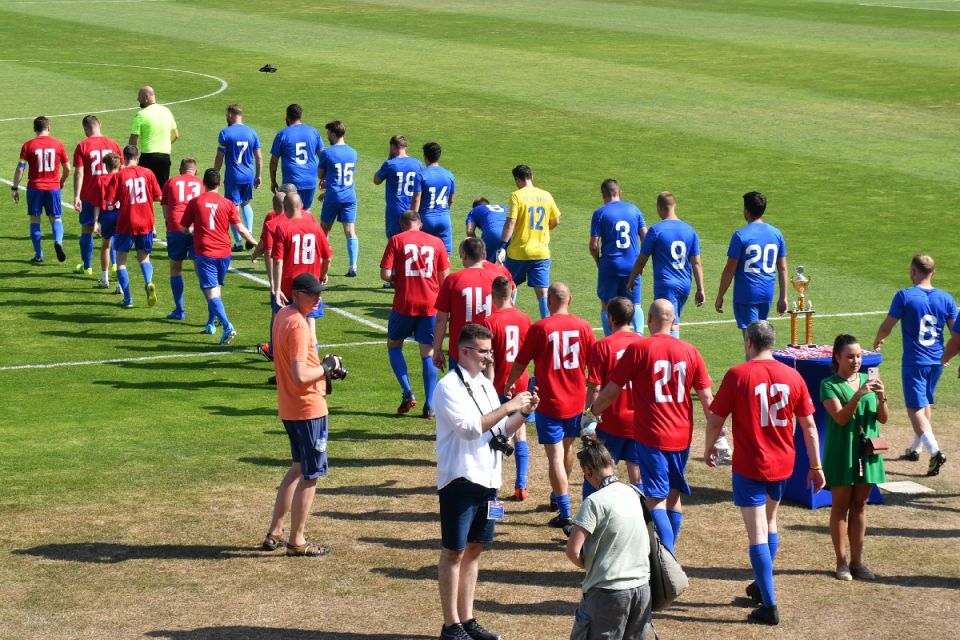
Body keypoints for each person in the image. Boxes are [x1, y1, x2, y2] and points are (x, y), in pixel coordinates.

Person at [704, 320, 826, 626]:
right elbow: (809, 426)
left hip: (750, 465)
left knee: (757, 531)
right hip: (783, 463)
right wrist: (815, 465)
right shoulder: (793, 375)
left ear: (748, 342)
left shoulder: (737, 374)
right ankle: (761, 585)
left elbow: (715, 419)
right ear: (772, 343)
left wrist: (710, 447)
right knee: (771, 522)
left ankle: (769, 606)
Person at [433, 323, 537, 640]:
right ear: (464, 352)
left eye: (490, 351)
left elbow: (500, 431)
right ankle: (451, 625)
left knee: (476, 548)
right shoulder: (448, 386)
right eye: (483, 352)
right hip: (461, 481)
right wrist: (509, 406)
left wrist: (526, 412)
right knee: (454, 551)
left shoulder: (483, 384)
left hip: (491, 481)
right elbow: (468, 429)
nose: (489, 358)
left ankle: (467, 619)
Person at [587, 299, 714, 555]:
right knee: (674, 497)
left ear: (648, 321)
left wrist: (593, 412)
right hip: (683, 435)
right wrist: (717, 435)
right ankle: (667, 552)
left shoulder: (641, 348)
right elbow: (708, 399)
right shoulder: (692, 351)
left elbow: (611, 391)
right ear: (674, 321)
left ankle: (666, 559)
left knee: (656, 500)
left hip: (653, 435)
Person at [506, 282, 595, 531]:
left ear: (549, 302)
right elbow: (593, 366)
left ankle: (565, 512)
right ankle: (558, 496)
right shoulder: (585, 327)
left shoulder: (540, 328)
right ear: (571, 300)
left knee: (555, 455)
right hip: (576, 400)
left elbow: (521, 362)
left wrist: (508, 383)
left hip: (550, 401)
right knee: (566, 450)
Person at [262, 273, 334, 558]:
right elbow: (301, 374)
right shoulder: (299, 326)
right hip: (308, 409)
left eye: (320, 293)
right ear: (297, 294)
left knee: (296, 468)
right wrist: (328, 366)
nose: (319, 297)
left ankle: (275, 531)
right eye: (313, 293)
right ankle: (297, 540)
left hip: (290, 407)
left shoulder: (283, 316)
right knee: (310, 474)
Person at [873, 254, 954, 476]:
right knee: (925, 402)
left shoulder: (905, 296)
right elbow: (956, 331)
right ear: (934, 273)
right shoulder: (946, 298)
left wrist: (879, 338)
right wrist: (947, 355)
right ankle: (915, 448)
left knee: (914, 408)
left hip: (915, 361)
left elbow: (888, 324)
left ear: (912, 271)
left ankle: (935, 451)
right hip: (937, 360)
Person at [566, 436, 652, 640]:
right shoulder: (634, 493)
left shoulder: (594, 502)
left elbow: (572, 551)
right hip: (642, 588)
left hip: (608, 592)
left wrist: (590, 565)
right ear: (611, 464)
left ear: (588, 471)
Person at [821, 334, 888, 581]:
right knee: (840, 506)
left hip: (868, 451)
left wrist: (881, 397)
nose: (856, 361)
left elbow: (883, 418)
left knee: (859, 506)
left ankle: (857, 562)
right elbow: (840, 418)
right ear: (837, 357)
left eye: (859, 356)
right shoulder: (828, 385)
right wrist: (858, 395)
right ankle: (841, 563)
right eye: (850, 356)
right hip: (842, 452)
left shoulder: (870, 380)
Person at [380, 210, 451, 418]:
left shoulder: (396, 240)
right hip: (430, 304)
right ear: (420, 224)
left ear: (402, 226)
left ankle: (407, 391)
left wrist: (398, 278)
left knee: (394, 345)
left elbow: (385, 273)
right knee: (427, 352)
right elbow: (444, 278)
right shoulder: (436, 242)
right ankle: (429, 405)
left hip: (404, 302)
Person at [179, 168, 257, 345]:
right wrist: (256, 244)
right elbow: (241, 229)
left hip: (206, 252)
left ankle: (227, 325)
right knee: (216, 290)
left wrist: (192, 231)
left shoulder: (196, 202)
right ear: (220, 184)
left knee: (211, 292)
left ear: (203, 184)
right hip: (224, 253)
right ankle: (210, 323)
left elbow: (184, 228)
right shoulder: (228, 203)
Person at [581, 298, 644, 494]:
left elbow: (595, 387)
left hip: (611, 422)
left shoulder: (603, 346)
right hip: (638, 421)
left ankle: (591, 518)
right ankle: (643, 519)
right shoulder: (644, 344)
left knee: (598, 470)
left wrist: (589, 419)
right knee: (637, 473)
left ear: (610, 318)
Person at [480, 275, 532, 500]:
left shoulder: (490, 322)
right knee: (520, 433)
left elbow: (487, 358)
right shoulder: (525, 318)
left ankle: (494, 486)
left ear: (493, 296)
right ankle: (521, 484)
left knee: (497, 435)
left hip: (499, 383)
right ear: (512, 293)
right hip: (521, 381)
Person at [628, 192, 705, 338]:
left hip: (666, 285)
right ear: (674, 206)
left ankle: (672, 358)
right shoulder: (690, 230)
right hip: (684, 285)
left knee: (669, 325)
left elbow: (641, 260)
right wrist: (701, 288)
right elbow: (696, 263)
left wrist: (632, 279)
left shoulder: (656, 230)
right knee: (673, 320)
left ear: (659, 208)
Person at [714, 192, 788, 333]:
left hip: (747, 294)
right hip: (767, 292)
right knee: (761, 338)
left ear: (746, 211)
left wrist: (720, 295)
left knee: (752, 342)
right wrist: (783, 296)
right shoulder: (776, 234)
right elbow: (782, 267)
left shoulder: (741, 235)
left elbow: (730, 270)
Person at [497, 164, 560, 319]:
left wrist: (502, 245)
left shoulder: (517, 196)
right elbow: (556, 220)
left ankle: (506, 318)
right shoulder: (546, 195)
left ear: (518, 180)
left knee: (508, 286)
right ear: (532, 177)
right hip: (541, 252)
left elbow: (511, 222)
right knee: (543, 292)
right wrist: (542, 230)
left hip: (519, 251)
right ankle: (547, 322)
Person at [272, 192, 333, 343]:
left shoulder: (282, 228)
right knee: (310, 329)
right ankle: (314, 364)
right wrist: (320, 277)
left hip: (289, 287)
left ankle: (285, 362)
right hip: (312, 286)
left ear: (285, 209)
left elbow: (278, 261)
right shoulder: (316, 228)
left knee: (285, 328)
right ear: (302, 207)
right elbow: (327, 258)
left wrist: (277, 288)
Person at [588, 179, 646, 335]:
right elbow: (646, 238)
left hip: (610, 266)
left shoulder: (600, 213)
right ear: (620, 192)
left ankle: (610, 339)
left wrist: (599, 262)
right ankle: (639, 334)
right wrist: (641, 262)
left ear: (603, 195)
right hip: (632, 266)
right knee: (635, 304)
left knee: (607, 305)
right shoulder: (634, 210)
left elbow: (594, 245)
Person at [107, 145, 162, 308]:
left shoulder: (118, 176)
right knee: (144, 258)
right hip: (146, 221)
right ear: (138, 157)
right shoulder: (148, 173)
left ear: (123, 158)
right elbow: (158, 196)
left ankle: (128, 299)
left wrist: (117, 203)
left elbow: (110, 203)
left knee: (121, 261)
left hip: (126, 222)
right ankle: (149, 282)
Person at [433, 238, 498, 375]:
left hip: (461, 350)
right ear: (484, 255)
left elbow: (441, 318)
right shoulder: (497, 279)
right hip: (489, 347)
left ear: (465, 255)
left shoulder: (453, 279)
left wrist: (437, 349)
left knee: (459, 393)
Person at [11, 116, 70, 264]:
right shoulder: (58, 144)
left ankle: (39, 255)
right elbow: (68, 168)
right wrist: (61, 181)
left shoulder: (28, 145)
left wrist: (15, 187)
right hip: (53, 188)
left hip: (35, 188)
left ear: (34, 129)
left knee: (35, 220)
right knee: (56, 218)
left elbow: (20, 169)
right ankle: (58, 241)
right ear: (48, 128)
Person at [72, 115, 122, 275]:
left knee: (86, 230)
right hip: (112, 195)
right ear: (100, 125)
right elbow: (121, 170)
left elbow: (79, 172)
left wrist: (76, 196)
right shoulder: (113, 144)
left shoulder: (83, 146)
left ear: (86, 129)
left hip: (90, 194)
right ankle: (114, 264)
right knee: (111, 231)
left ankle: (87, 266)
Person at [213, 103, 262, 251]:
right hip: (248, 175)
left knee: (232, 208)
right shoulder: (252, 132)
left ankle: (239, 242)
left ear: (231, 115)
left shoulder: (225, 133)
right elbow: (259, 157)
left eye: (227, 115)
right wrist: (258, 175)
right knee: (246, 203)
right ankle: (250, 231)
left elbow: (220, 157)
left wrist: (215, 174)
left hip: (233, 176)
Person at [161, 158, 202, 320]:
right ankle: (213, 312)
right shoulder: (201, 184)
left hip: (176, 228)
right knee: (201, 272)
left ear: (180, 170)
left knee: (176, 269)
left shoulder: (171, 183)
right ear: (195, 171)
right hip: (195, 230)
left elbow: (165, 211)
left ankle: (180, 310)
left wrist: (169, 225)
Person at [318, 120, 359, 276]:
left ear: (333, 134)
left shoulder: (327, 153)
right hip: (349, 196)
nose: (327, 136)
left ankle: (323, 264)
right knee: (350, 231)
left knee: (324, 231)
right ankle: (353, 266)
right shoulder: (353, 152)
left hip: (334, 197)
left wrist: (325, 185)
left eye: (328, 133)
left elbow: (320, 175)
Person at [269, 104, 323, 210]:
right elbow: (323, 156)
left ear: (287, 116)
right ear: (300, 116)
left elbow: (274, 161)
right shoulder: (313, 132)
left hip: (291, 182)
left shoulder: (283, 134)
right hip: (310, 180)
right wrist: (324, 177)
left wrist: (273, 181)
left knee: (289, 214)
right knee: (306, 211)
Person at [374, 134, 423, 240]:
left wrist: (389, 159)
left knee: (394, 242)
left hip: (395, 211)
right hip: (412, 210)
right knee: (411, 242)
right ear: (405, 147)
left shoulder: (390, 164)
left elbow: (376, 180)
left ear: (392, 147)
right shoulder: (418, 164)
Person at [129, 85, 178, 188]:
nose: (137, 99)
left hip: (148, 157)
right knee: (162, 193)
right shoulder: (166, 111)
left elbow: (133, 140)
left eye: (139, 96)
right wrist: (165, 144)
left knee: (145, 190)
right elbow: (176, 135)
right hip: (164, 157)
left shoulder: (141, 115)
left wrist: (132, 156)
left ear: (146, 97)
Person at [91, 152, 122, 291]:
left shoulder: (101, 180)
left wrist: (95, 222)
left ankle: (105, 279)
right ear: (119, 164)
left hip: (107, 215)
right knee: (121, 249)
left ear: (106, 166)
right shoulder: (123, 177)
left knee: (106, 246)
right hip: (122, 215)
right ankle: (120, 285)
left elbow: (97, 203)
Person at [418, 142, 456, 255]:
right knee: (444, 256)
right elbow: (451, 199)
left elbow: (416, 199)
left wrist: (412, 218)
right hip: (444, 218)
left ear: (425, 156)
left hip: (426, 219)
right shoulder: (449, 175)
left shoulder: (421, 175)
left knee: (424, 255)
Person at [465, 197, 507, 263]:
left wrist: (478, 247)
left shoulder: (474, 210)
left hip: (493, 234)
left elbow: (470, 231)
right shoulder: (503, 207)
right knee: (509, 266)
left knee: (485, 264)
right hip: (511, 233)